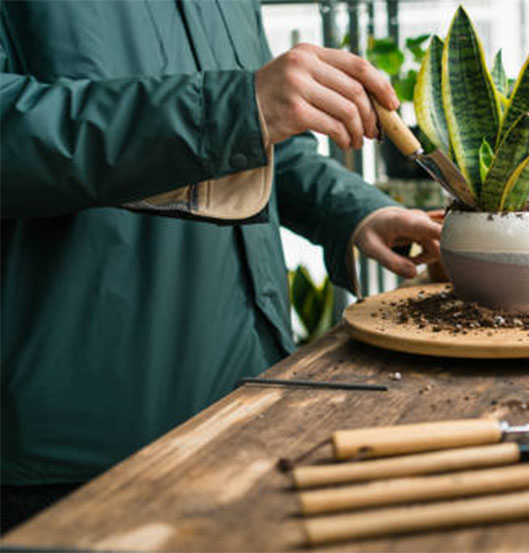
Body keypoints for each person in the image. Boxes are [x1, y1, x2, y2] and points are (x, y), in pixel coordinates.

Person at [0, 0, 440, 532]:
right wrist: (236, 108)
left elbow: (256, 136)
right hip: (78, 456)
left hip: (250, 401)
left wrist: (354, 210)